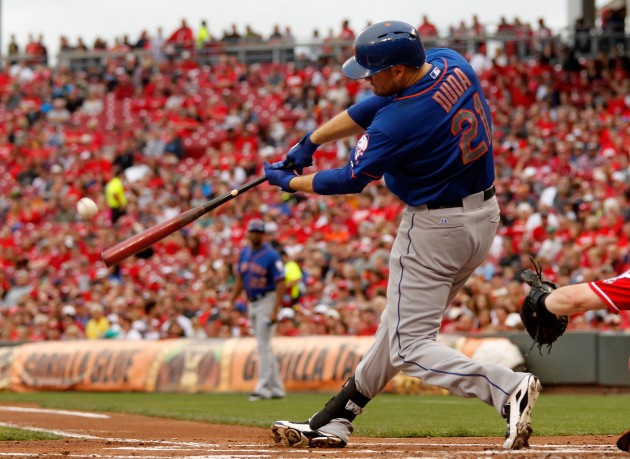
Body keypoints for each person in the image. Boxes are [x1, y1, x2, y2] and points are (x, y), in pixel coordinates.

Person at [264, 20, 540, 451]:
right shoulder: (452, 62)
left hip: (434, 229)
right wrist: (310, 141)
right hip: (482, 218)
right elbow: (368, 108)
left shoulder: (400, 120)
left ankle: (506, 388)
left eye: (373, 71)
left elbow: (349, 180)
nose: (367, 78)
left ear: (396, 71)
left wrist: (290, 182)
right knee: (395, 331)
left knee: (409, 346)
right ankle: (334, 419)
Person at [228, 219, 286, 401]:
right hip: (251, 301)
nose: (255, 235)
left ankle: (262, 388)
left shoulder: (271, 255)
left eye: (259, 232)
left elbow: (281, 282)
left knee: (263, 345)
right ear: (248, 233)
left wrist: (276, 309)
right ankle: (277, 389)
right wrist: (231, 300)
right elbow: (240, 278)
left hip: (267, 300)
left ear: (263, 235)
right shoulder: (244, 252)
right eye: (253, 231)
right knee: (264, 345)